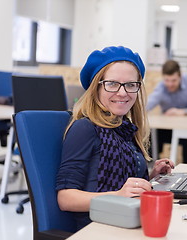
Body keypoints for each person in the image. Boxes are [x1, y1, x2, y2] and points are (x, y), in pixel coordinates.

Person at [56, 46, 175, 230]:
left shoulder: (124, 128)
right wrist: (118, 195)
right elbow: (65, 199)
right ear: (96, 87)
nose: (122, 92)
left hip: (126, 220)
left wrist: (150, 176)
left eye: (130, 84)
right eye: (112, 84)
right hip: (98, 227)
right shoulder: (85, 128)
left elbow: (122, 181)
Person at [146, 60, 187, 164]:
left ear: (180, 76)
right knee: (151, 135)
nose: (170, 84)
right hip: (168, 130)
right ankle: (151, 167)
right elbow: (147, 106)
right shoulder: (161, 87)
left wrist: (183, 112)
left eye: (173, 80)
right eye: (167, 80)